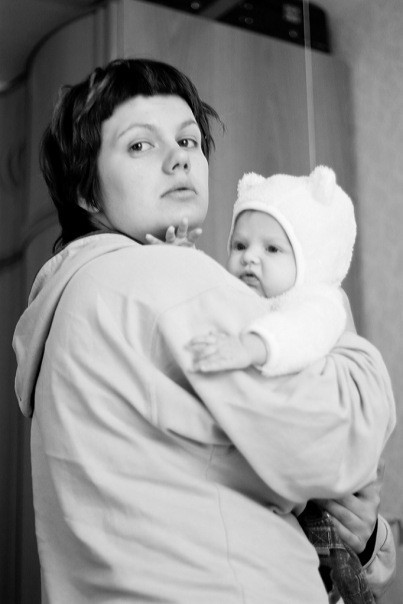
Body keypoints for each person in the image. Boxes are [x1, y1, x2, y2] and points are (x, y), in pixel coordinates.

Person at [12, 58, 396, 604]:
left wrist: (363, 539)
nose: (179, 159)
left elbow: (226, 479)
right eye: (140, 145)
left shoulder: (72, 302)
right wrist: (342, 330)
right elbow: (336, 442)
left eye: (188, 141)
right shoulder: (165, 279)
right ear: (88, 192)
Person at [154, 167, 397, 602]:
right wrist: (180, 262)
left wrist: (252, 346)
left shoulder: (318, 303)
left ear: (307, 260)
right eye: (239, 245)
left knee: (344, 563)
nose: (250, 258)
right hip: (269, 526)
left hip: (335, 494)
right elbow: (204, 297)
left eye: (272, 248)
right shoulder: (242, 302)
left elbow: (300, 331)